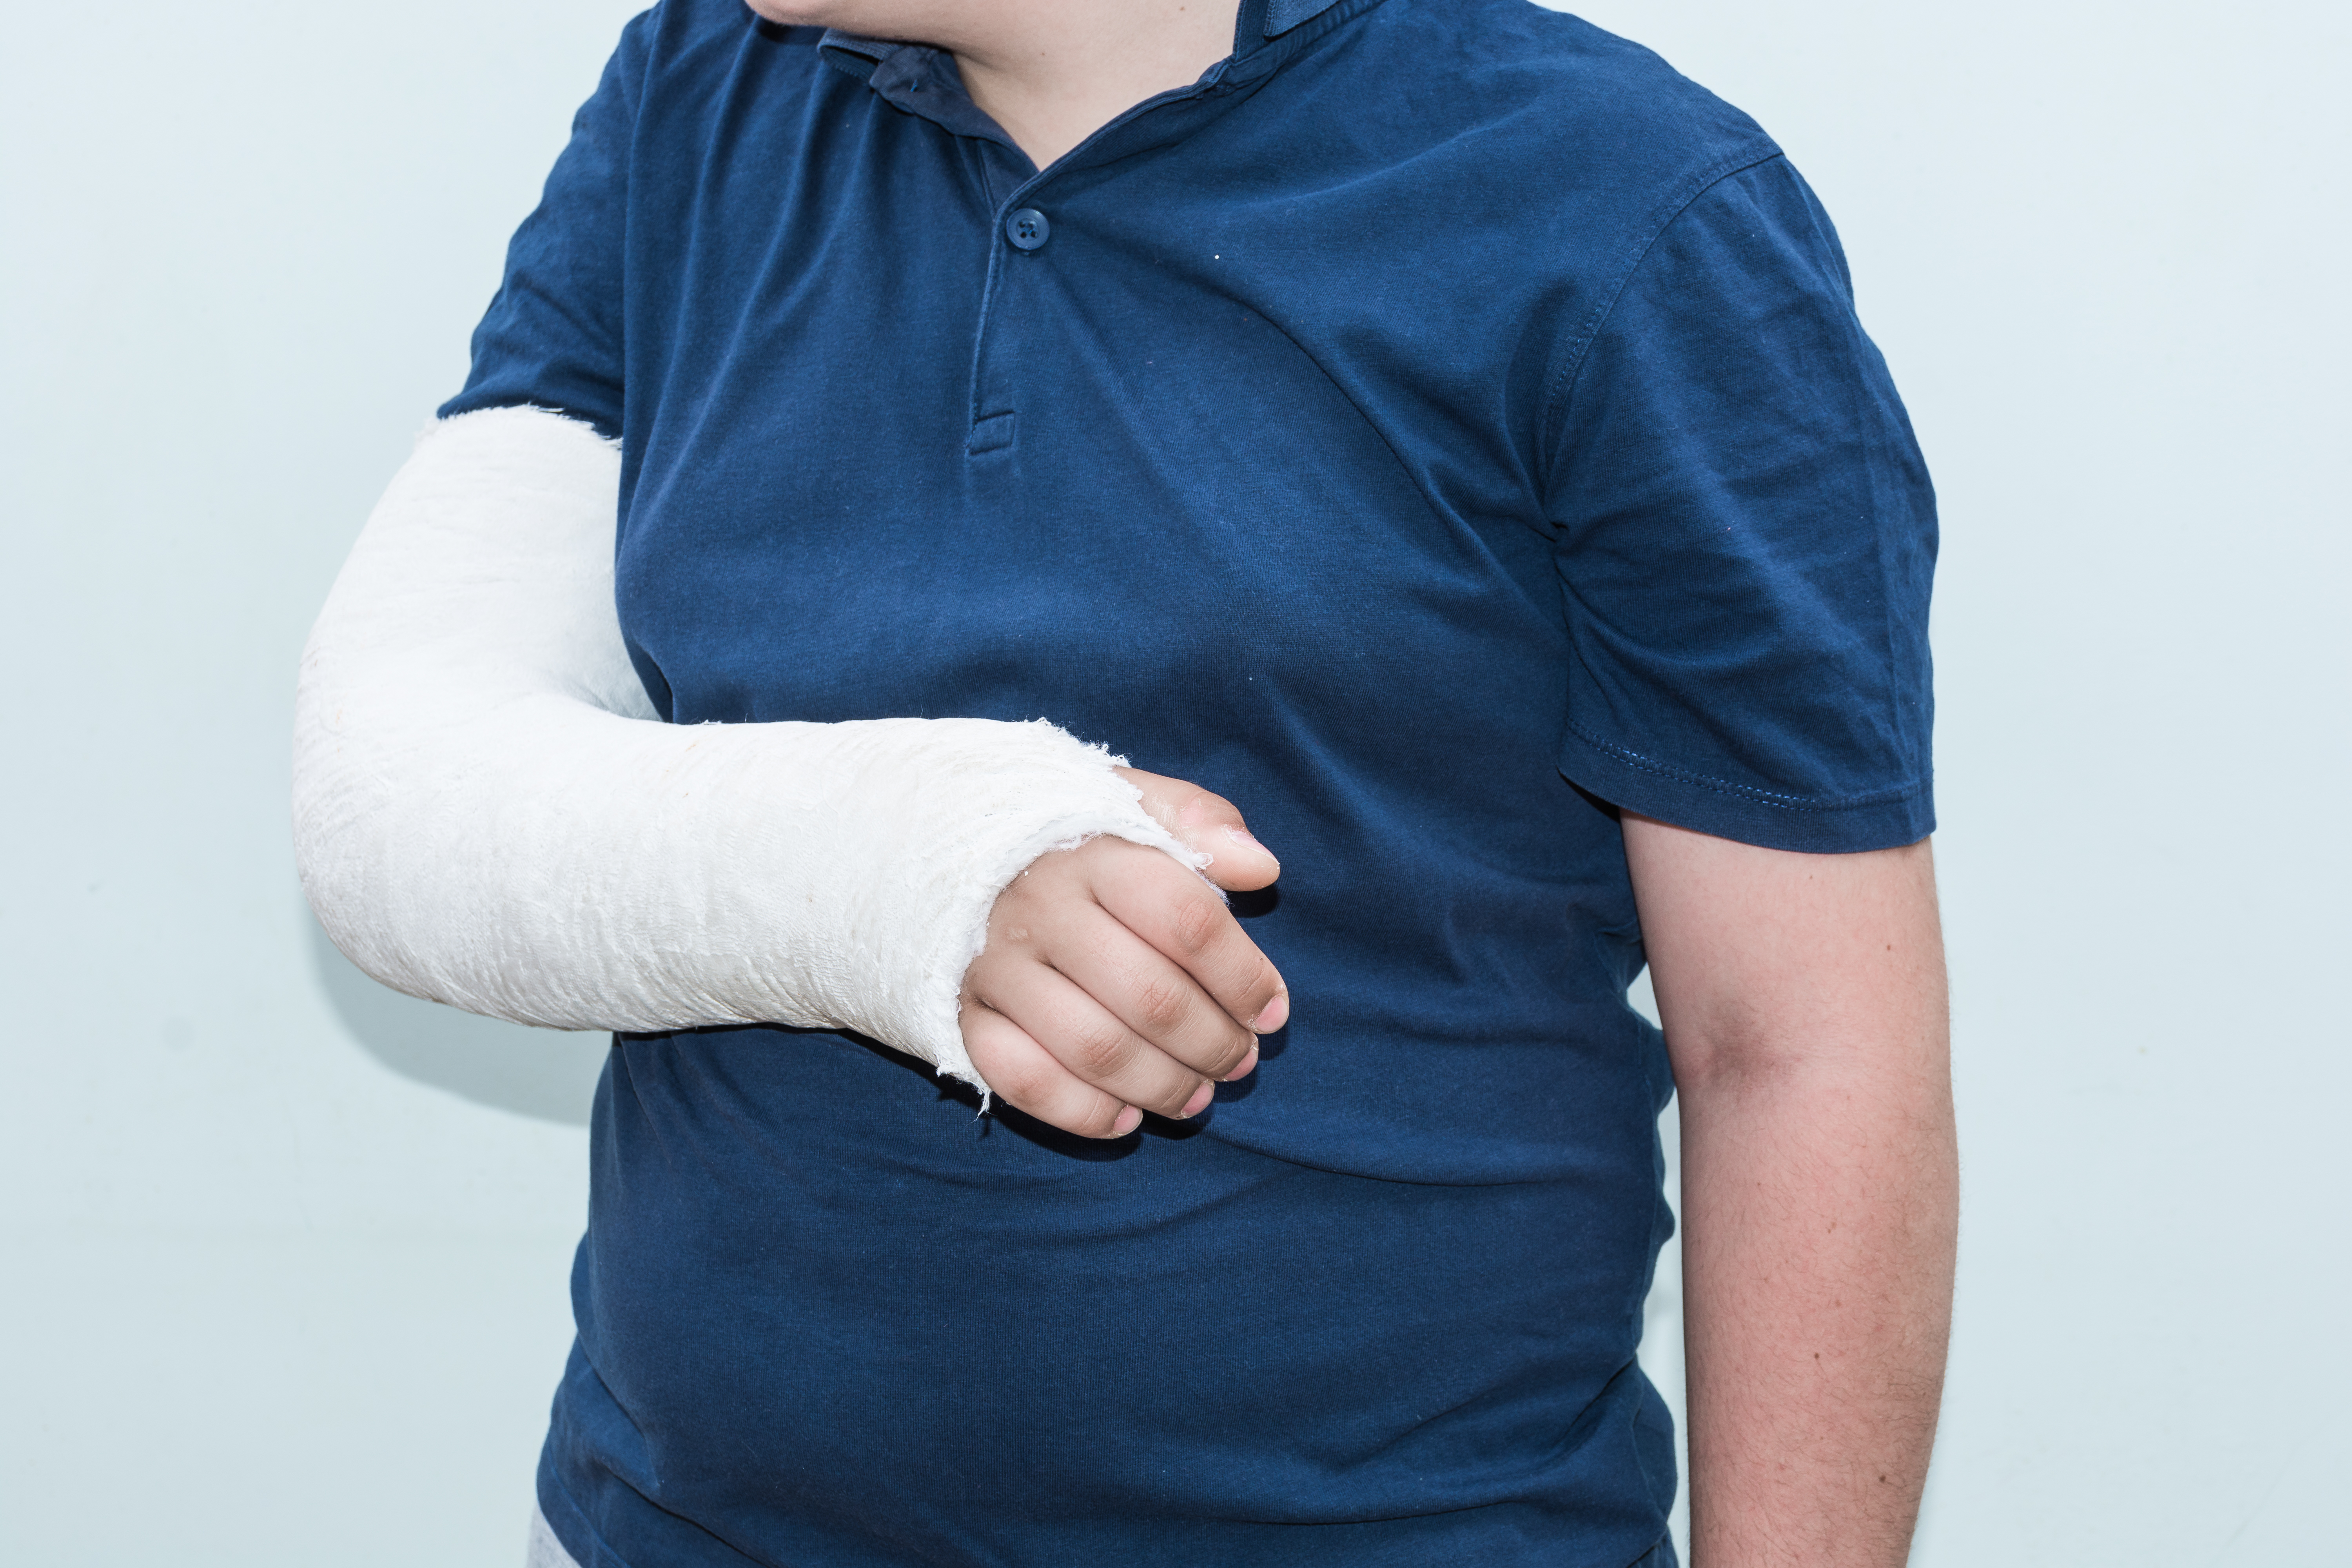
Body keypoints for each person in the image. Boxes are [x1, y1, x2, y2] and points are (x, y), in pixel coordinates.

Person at [294, 1, 1957, 1564]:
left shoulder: (1627, 213)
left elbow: (1801, 1051)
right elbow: (405, 781)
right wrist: (912, 867)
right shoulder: (700, 91)